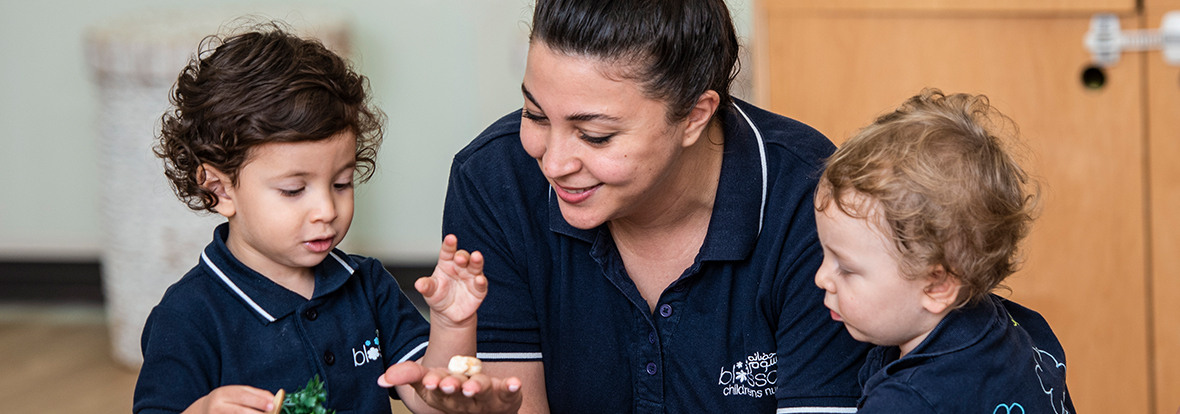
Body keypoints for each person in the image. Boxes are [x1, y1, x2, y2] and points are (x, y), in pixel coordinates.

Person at [438, 0, 870, 412]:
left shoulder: (808, 196)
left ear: (695, 115)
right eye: (535, 114)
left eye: (595, 135)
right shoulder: (494, 181)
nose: (552, 163)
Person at [134, 23, 521, 414]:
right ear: (220, 189)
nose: (327, 211)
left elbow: (432, 401)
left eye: (341, 183)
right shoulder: (187, 316)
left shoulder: (367, 286)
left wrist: (452, 325)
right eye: (293, 190)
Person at [813, 89, 1075, 412]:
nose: (822, 277)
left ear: (938, 286)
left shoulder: (904, 402)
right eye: (826, 255)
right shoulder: (1024, 330)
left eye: (847, 268)